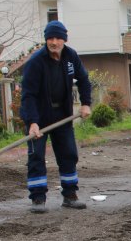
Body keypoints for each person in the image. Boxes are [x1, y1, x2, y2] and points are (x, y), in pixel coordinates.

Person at [20, 20, 92, 213]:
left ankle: (70, 196)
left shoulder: (70, 56)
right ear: (46, 40)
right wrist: (32, 122)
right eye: (50, 38)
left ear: (64, 39)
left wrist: (86, 103)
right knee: (36, 157)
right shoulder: (36, 62)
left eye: (58, 38)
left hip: (62, 114)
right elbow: (28, 95)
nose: (54, 42)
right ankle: (38, 199)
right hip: (40, 116)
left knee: (68, 153)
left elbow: (84, 79)